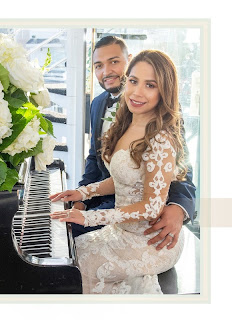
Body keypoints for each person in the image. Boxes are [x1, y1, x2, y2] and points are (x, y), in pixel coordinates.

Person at [50, 50, 188, 294]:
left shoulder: (161, 138)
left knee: (83, 267)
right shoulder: (128, 123)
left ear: (164, 91)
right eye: (134, 81)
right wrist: (82, 193)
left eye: (150, 85)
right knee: (73, 252)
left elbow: (151, 208)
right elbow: (123, 179)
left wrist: (90, 218)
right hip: (120, 231)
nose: (137, 92)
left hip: (150, 240)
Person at [73, 36, 196, 252]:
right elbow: (94, 158)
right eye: (98, 65)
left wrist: (178, 208)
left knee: (70, 239)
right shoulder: (97, 103)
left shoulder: (162, 115)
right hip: (107, 194)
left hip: (140, 213)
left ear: (128, 61)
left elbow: (182, 168)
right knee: (60, 225)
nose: (106, 71)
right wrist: (82, 195)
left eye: (114, 61)